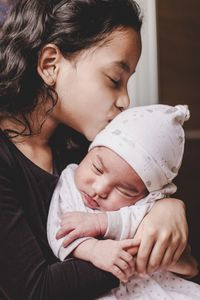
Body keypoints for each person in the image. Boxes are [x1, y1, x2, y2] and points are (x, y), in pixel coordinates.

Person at [0, 0, 188, 299]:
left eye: (127, 82)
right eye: (115, 79)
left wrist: (168, 207)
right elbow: (36, 289)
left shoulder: (90, 148)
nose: (125, 100)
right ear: (51, 64)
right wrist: (145, 253)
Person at [47, 104, 200, 299]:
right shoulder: (70, 179)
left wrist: (104, 223)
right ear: (88, 153)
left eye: (124, 190)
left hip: (154, 288)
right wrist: (94, 249)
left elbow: (143, 225)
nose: (99, 189)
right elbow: (59, 232)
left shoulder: (151, 203)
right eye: (97, 168)